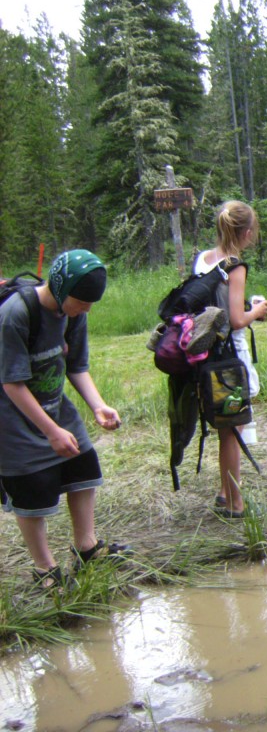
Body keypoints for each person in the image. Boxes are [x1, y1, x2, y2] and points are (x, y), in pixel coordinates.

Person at [0, 250, 127, 588]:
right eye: (81, 301)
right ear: (59, 286)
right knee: (33, 488)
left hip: (55, 405)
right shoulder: (17, 313)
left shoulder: (73, 313)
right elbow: (11, 382)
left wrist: (98, 405)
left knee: (84, 466)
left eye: (90, 303)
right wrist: (51, 431)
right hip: (11, 417)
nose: (86, 309)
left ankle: (86, 548)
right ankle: (45, 569)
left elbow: (76, 366)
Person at [194, 201, 267, 517]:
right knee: (232, 430)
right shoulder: (235, 267)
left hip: (204, 355)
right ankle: (236, 503)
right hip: (230, 359)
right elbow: (237, 319)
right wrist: (258, 311)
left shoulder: (203, 260)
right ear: (247, 232)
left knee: (223, 427)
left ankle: (224, 492)